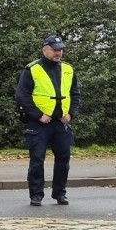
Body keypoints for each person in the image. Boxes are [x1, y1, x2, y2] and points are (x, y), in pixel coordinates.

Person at [15, 35, 79, 206]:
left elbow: (75, 95)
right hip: (39, 123)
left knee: (63, 159)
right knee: (37, 160)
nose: (58, 53)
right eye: (54, 49)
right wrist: (38, 115)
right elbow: (22, 96)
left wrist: (71, 114)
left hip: (61, 123)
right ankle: (36, 195)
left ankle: (60, 193)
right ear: (45, 50)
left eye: (60, 49)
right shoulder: (32, 69)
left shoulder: (68, 69)